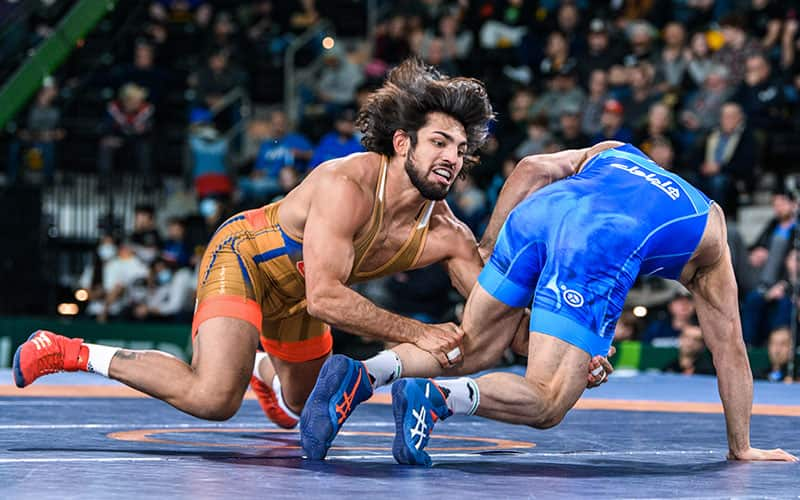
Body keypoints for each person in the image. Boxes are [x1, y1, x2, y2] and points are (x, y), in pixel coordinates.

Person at [10, 58, 497, 426]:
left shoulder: (449, 234)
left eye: (460, 148)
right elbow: (326, 296)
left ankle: (264, 369)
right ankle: (68, 349)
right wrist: (416, 332)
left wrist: (565, 352)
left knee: (303, 408)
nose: (451, 158)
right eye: (438, 142)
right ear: (402, 143)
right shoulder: (345, 185)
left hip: (303, 295)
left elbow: (496, 309)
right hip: (247, 259)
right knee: (215, 398)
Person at [301, 141, 797, 465]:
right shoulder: (712, 243)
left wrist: (490, 245)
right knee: (548, 399)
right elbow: (729, 348)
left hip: (536, 214)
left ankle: (366, 374)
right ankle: (438, 399)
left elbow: (531, 167)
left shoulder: (618, 152)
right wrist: (742, 447)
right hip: (596, 241)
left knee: (471, 346)